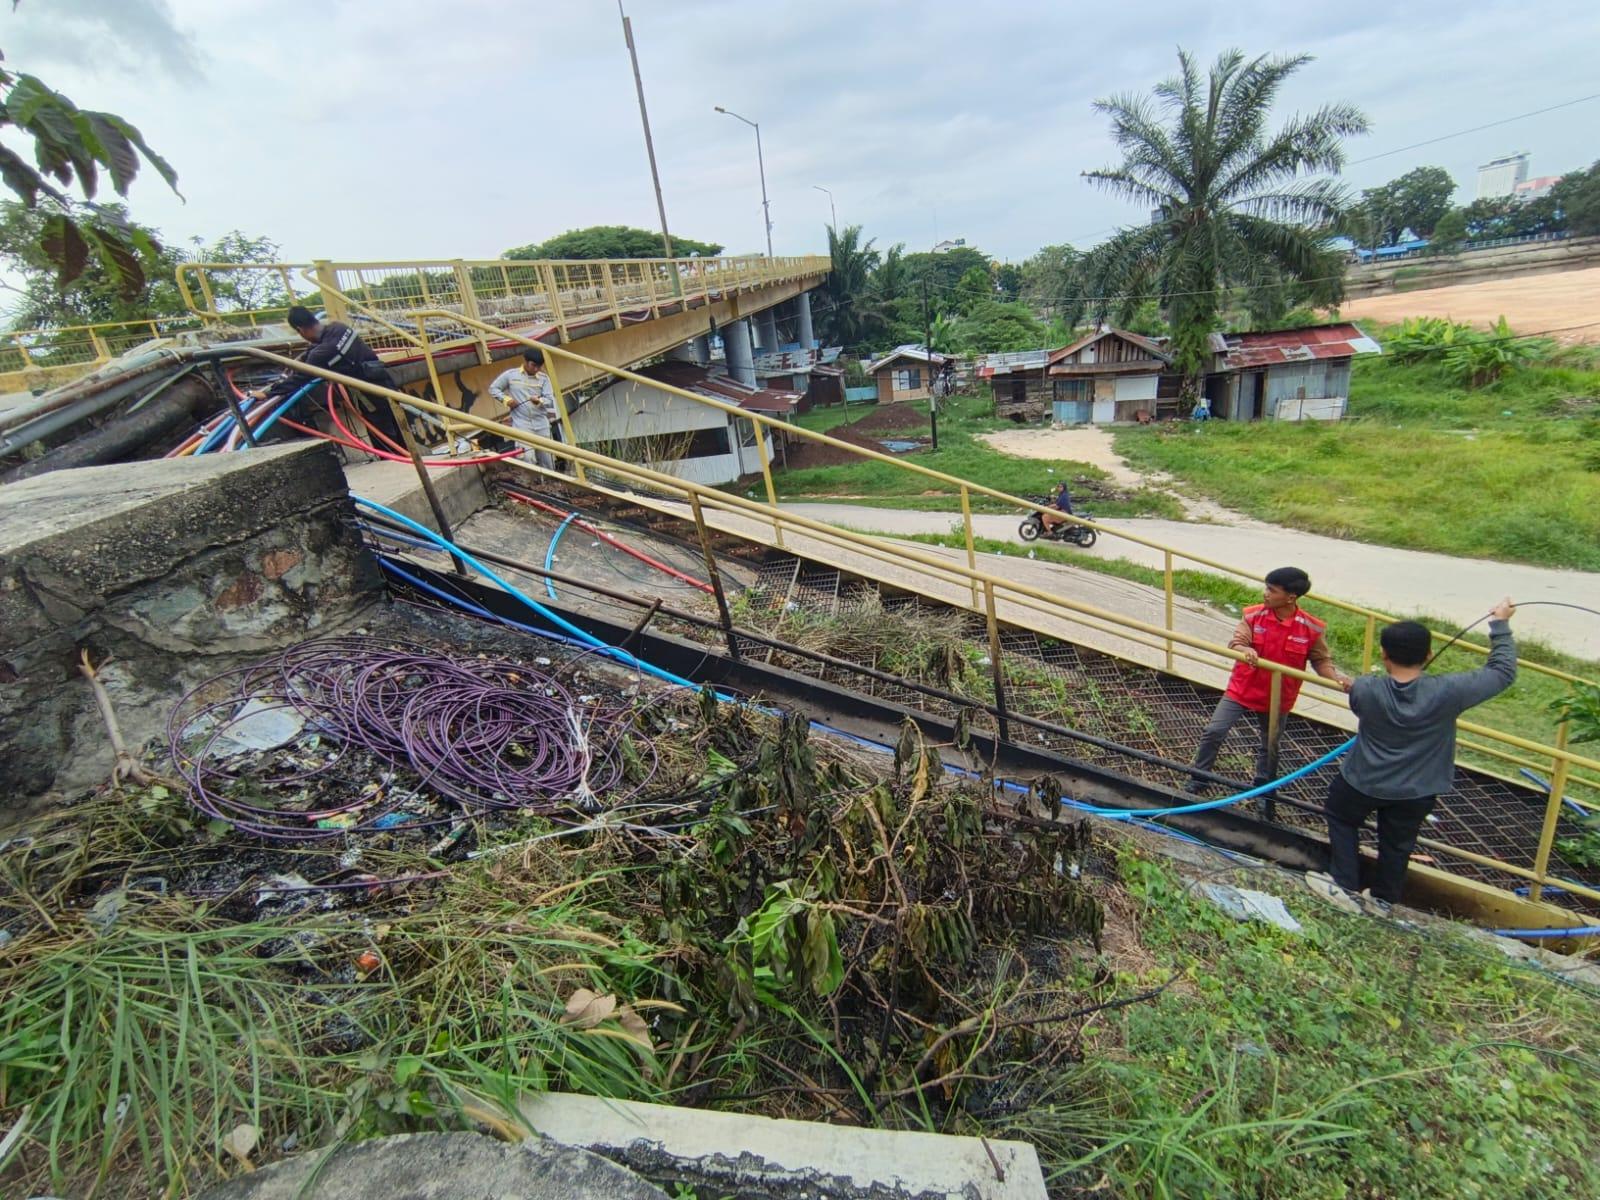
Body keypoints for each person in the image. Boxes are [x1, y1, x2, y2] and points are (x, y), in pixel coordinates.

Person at [1311, 599, 1517, 913]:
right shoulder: (1450, 691)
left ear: (1383, 653)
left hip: (1362, 780)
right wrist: (1500, 624)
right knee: (1397, 844)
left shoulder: (1365, 688)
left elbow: (1360, 703)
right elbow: (1502, 672)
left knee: (1341, 817)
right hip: (1418, 790)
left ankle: (1343, 884)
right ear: (1429, 655)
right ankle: (1382, 901)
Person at [1187, 566, 1352, 794]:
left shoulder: (1311, 628)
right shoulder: (1253, 616)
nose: (1265, 593)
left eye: (1272, 590)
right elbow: (1237, 642)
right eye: (1266, 588)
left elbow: (1320, 660)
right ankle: (1199, 778)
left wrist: (1337, 678)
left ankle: (1264, 789)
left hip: (1278, 697)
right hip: (1242, 688)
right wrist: (1245, 649)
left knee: (1271, 745)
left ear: (1290, 598)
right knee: (1214, 731)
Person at [250, 306, 403, 448]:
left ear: (300, 329)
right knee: (398, 423)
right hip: (383, 378)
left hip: (368, 392)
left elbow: (301, 377)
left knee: (381, 430)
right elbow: (316, 350)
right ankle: (407, 457)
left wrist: (269, 393)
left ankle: (393, 460)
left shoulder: (320, 354)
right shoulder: (339, 327)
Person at [488, 347, 558, 470]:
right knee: (527, 459)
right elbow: (493, 389)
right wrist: (506, 400)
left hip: (541, 423)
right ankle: (532, 485)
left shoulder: (544, 379)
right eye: (533, 365)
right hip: (522, 424)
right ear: (525, 362)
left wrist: (539, 401)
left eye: (539, 367)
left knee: (548, 461)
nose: (536, 369)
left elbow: (550, 400)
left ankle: (550, 485)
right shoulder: (511, 375)